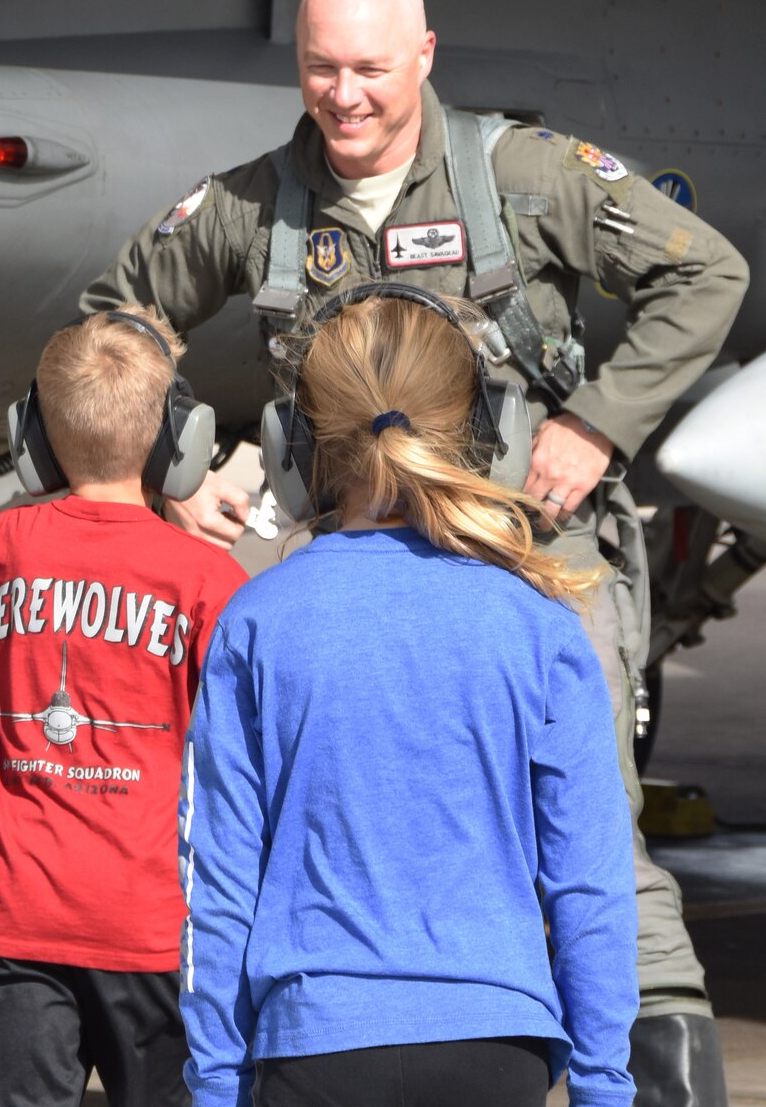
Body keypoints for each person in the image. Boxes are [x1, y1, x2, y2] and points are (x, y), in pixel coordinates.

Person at [84, 0, 749, 1107]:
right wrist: (173, 462)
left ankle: (652, 1073)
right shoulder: (252, 206)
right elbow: (116, 316)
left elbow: (705, 273)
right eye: (320, 68)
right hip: (350, 568)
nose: (343, 95)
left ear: (425, 58)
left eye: (371, 69)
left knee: (597, 842)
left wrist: (596, 425)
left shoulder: (525, 177)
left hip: (524, 563)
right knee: (315, 821)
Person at [180, 286, 639, 1107]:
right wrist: (603, 1084)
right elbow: (590, 881)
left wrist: (215, 1080)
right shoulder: (537, 624)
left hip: (311, 1045)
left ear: (295, 447)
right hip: (496, 1046)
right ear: (485, 441)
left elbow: (217, 879)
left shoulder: (255, 621)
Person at [0, 307, 245, 1107]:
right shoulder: (206, 583)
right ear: (174, 441)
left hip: (15, 925)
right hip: (158, 930)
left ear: (34, 440)